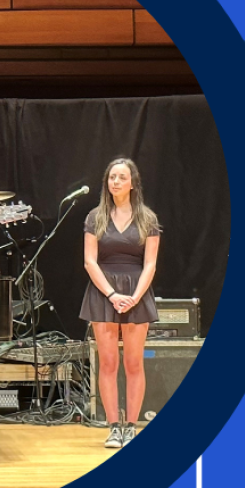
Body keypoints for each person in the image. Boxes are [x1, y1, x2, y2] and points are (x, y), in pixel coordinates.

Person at [80, 158, 160, 448]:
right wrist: (112, 295)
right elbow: (90, 261)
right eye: (112, 177)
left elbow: (150, 264)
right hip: (104, 293)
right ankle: (114, 426)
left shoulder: (148, 219)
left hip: (137, 292)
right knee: (108, 363)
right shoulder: (95, 217)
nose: (115, 181)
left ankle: (131, 427)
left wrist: (135, 296)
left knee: (134, 363)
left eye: (121, 177)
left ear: (133, 183)